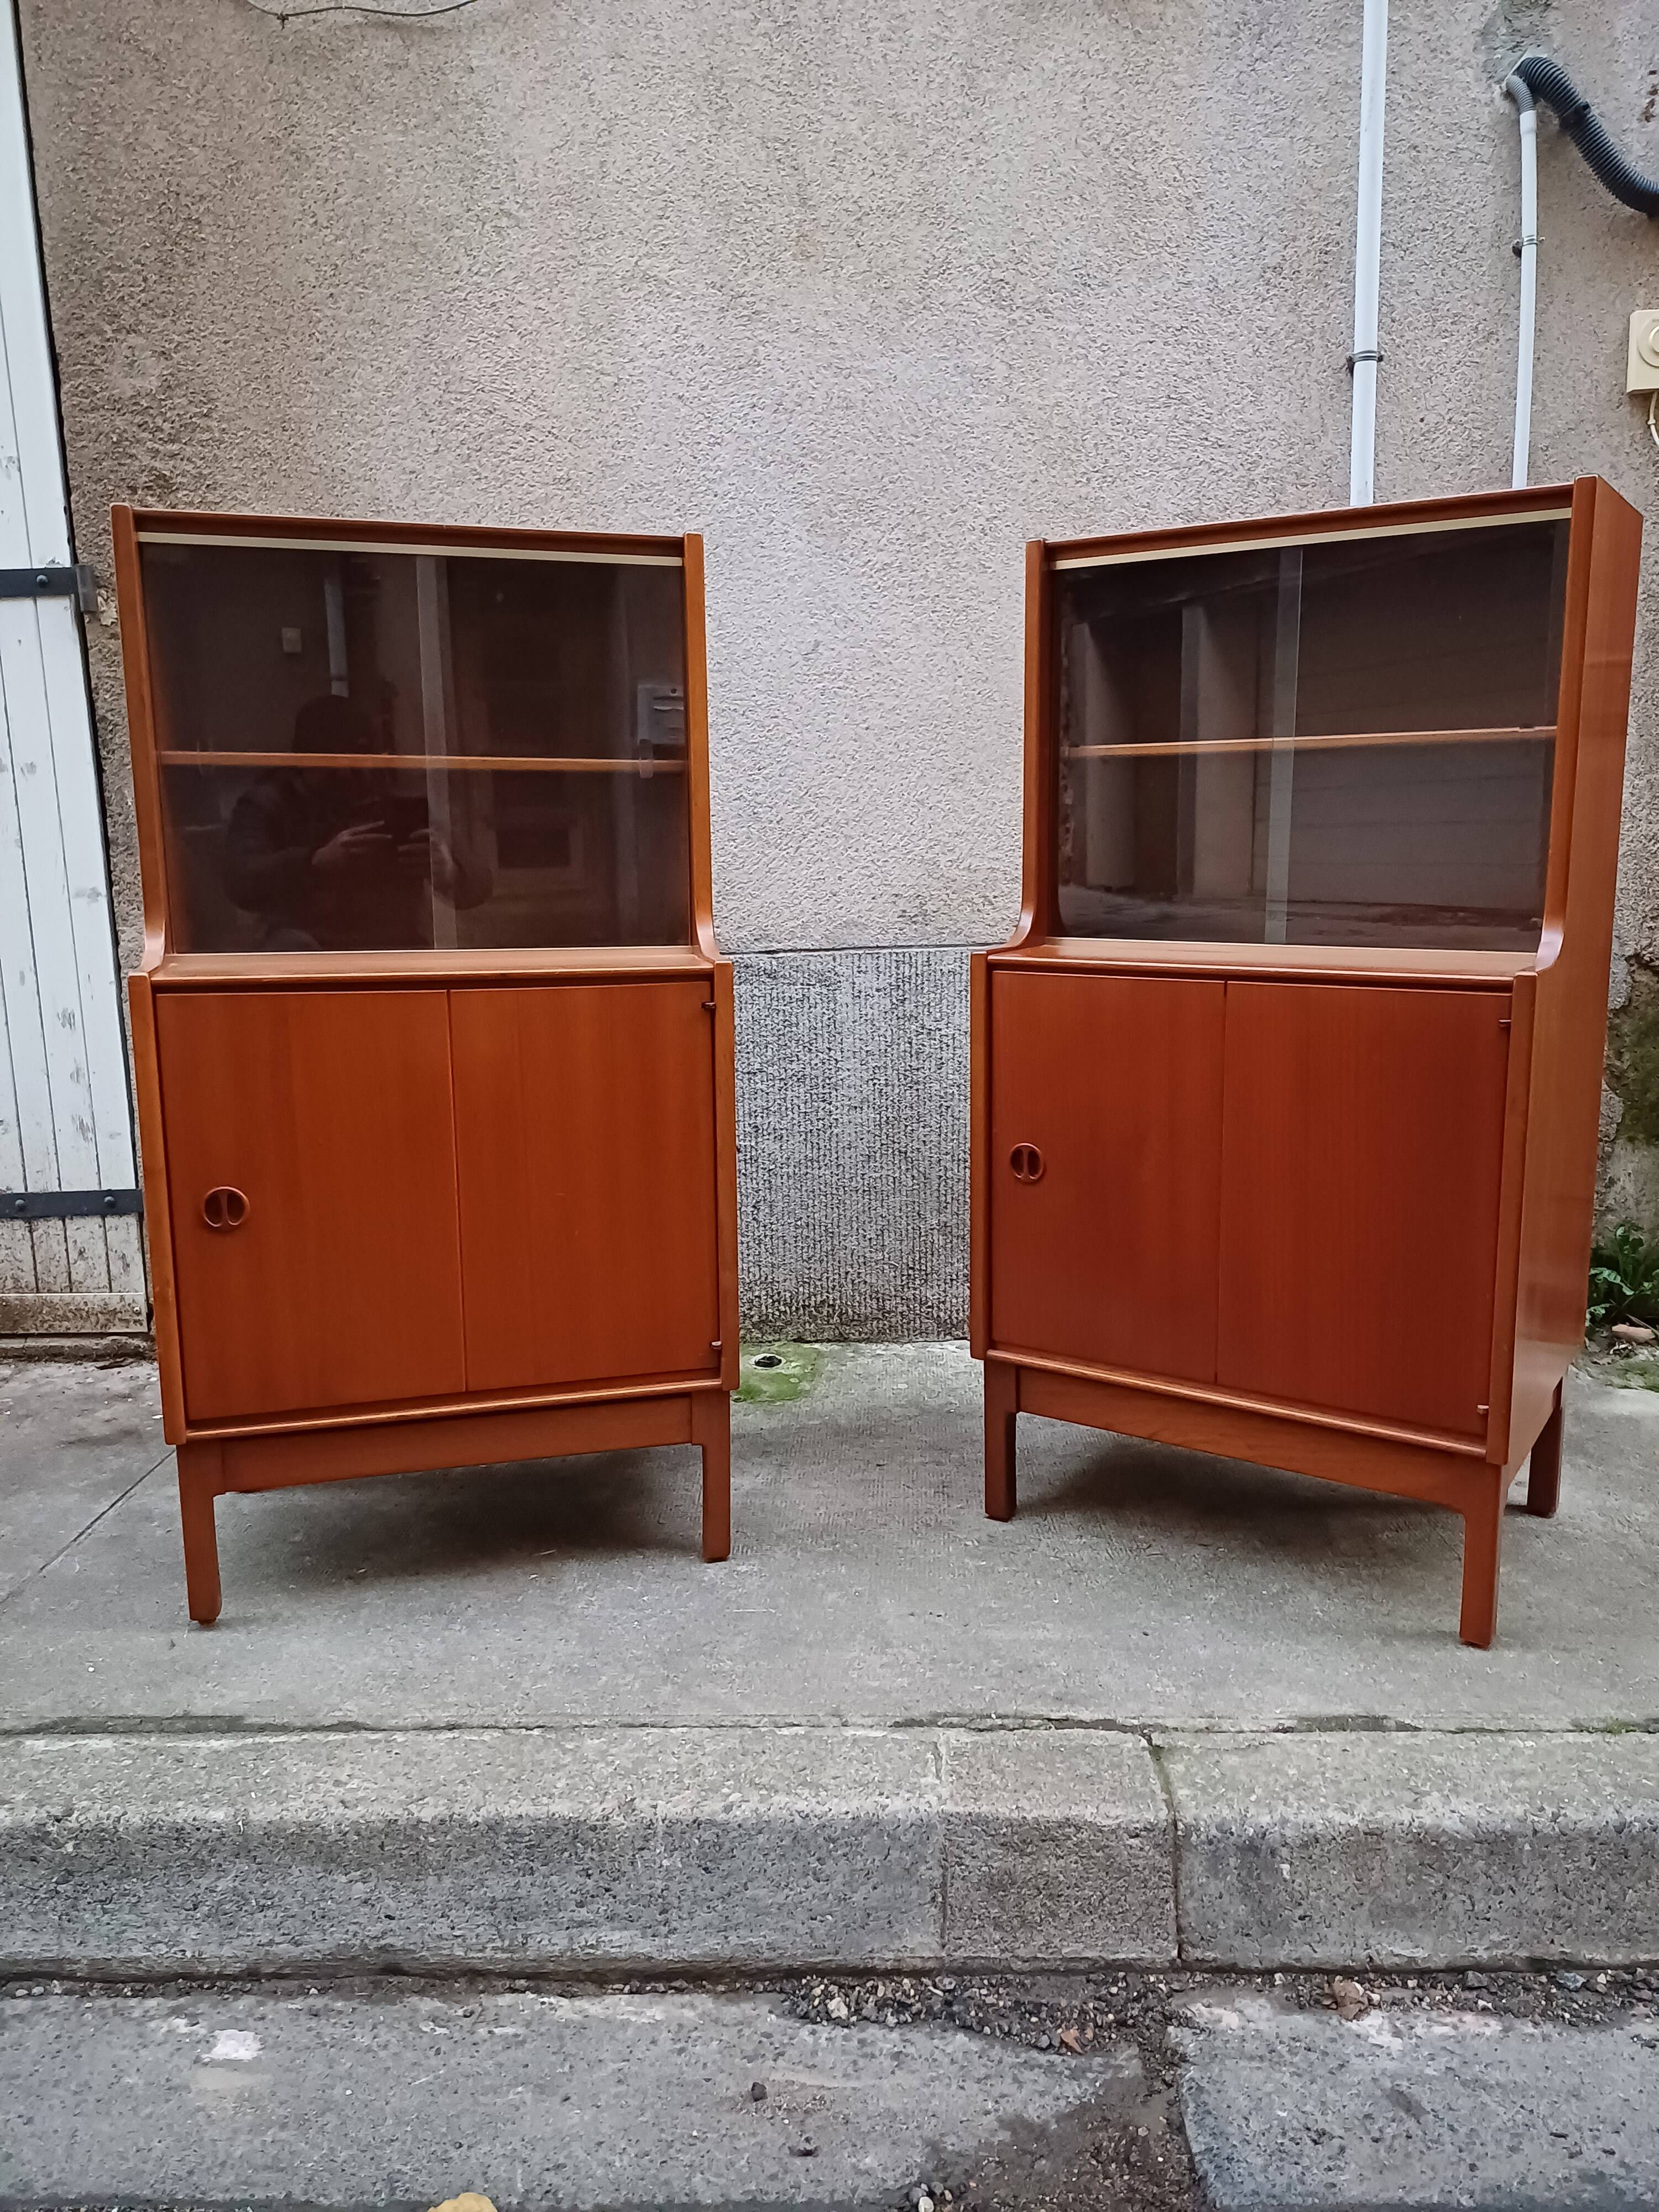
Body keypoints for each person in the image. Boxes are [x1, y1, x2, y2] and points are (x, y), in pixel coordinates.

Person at [222, 694, 489, 949]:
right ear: (311, 763)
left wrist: (449, 872)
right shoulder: (271, 803)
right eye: (346, 762)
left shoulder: (394, 799)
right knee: (289, 947)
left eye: (368, 759)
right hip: (307, 948)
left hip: (391, 945)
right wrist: (314, 862)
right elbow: (241, 880)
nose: (360, 773)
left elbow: (480, 884)